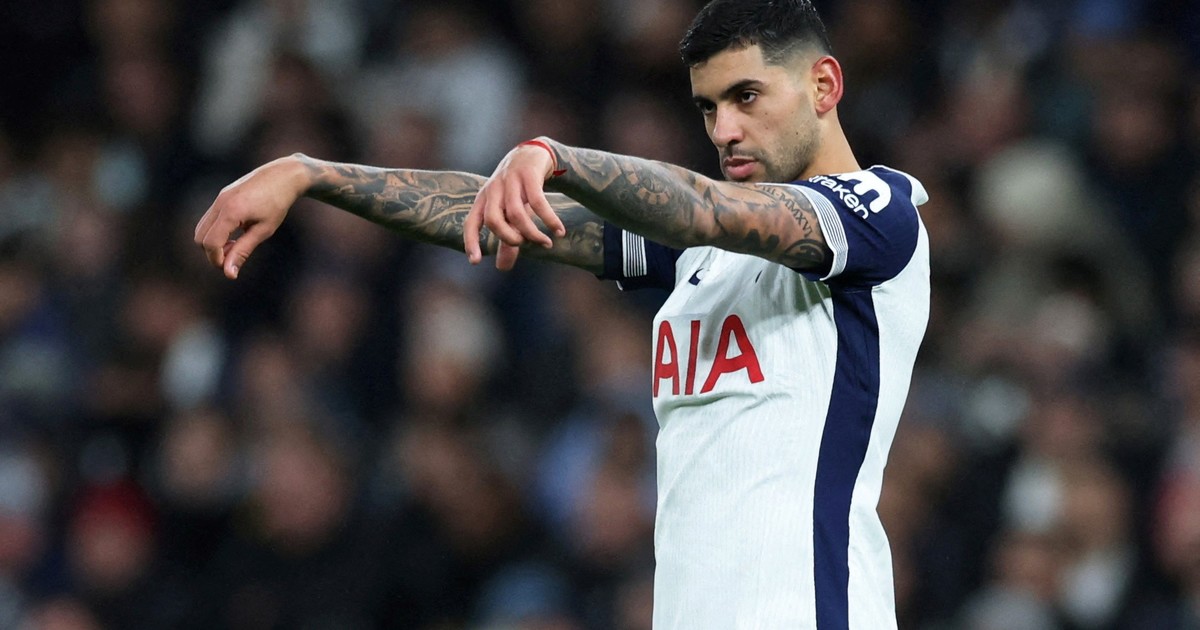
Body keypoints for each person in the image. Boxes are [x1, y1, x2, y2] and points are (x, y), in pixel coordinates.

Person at [193, 0, 930, 627]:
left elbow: (704, 206)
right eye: (708, 106)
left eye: (746, 97)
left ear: (823, 84)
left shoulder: (875, 213)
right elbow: (491, 214)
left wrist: (556, 154)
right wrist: (315, 175)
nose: (724, 130)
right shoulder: (701, 255)